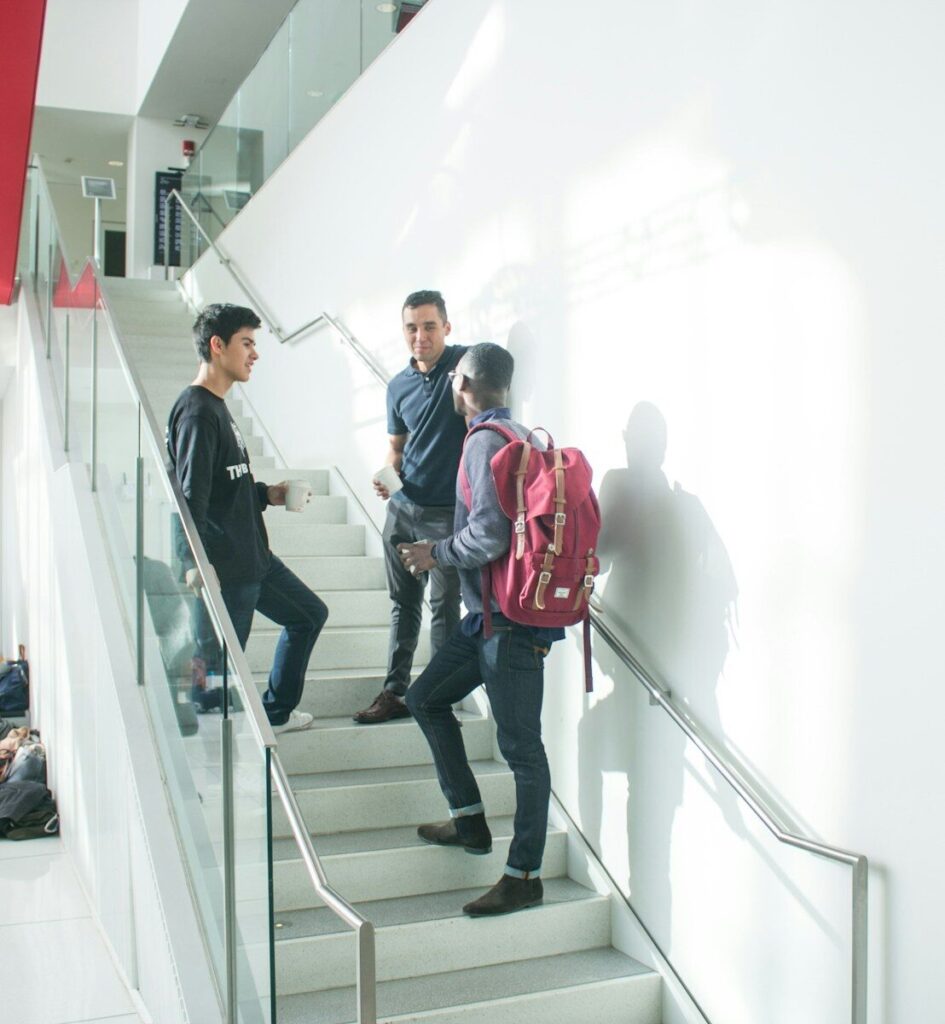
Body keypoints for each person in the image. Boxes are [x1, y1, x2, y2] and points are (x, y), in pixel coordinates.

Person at [398, 343, 563, 916]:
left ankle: (524, 875)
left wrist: (434, 552)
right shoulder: (524, 435)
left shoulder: (484, 441)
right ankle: (469, 820)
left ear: (462, 383)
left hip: (510, 626)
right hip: (490, 618)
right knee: (425, 698)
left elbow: (488, 535)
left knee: (522, 749)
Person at [166, 303, 328, 734]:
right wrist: (192, 564)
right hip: (227, 568)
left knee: (309, 614)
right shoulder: (198, 412)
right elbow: (190, 499)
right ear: (218, 346)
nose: (254, 354)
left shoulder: (218, 406)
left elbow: (224, 489)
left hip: (254, 557)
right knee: (216, 677)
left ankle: (275, 713)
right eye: (247, 343)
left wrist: (268, 495)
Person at [353, 290, 467, 724]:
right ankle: (394, 692)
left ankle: (440, 698)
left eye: (429, 326)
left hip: (447, 516)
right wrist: (387, 476)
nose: (420, 336)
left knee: (445, 607)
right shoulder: (397, 386)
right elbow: (396, 448)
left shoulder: (463, 364)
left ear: (447, 327)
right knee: (404, 603)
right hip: (403, 509)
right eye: (411, 327)